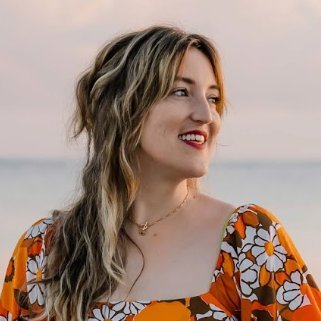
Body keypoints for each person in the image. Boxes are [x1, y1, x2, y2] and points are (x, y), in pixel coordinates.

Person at [0, 25, 320, 321]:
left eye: (213, 98)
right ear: (125, 107)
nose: (206, 114)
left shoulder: (249, 240)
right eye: (181, 91)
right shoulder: (44, 250)